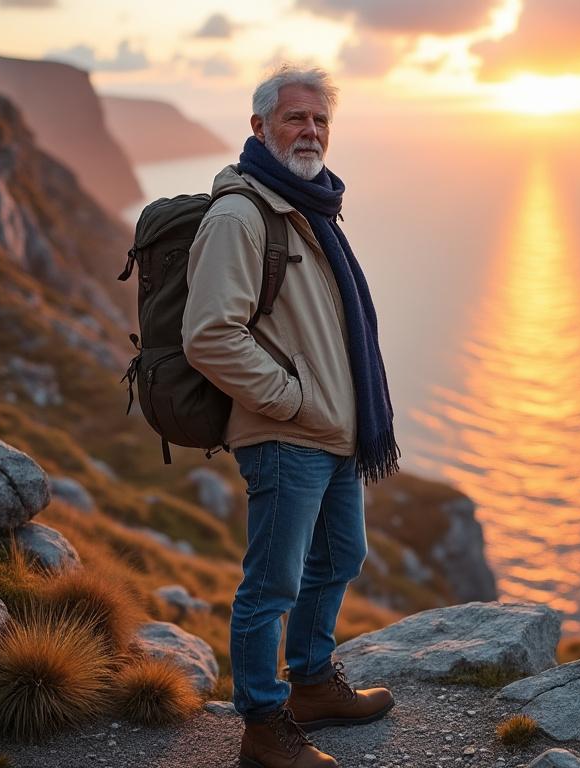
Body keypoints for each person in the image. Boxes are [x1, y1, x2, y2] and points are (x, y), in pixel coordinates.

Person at [182, 63, 402, 768]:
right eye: (294, 119)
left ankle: (310, 683)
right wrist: (293, 400)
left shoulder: (310, 208)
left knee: (341, 556)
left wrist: (326, 407)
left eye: (319, 121)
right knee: (272, 583)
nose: (309, 131)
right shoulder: (241, 215)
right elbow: (210, 334)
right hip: (286, 433)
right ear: (259, 128)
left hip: (332, 431)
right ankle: (264, 727)